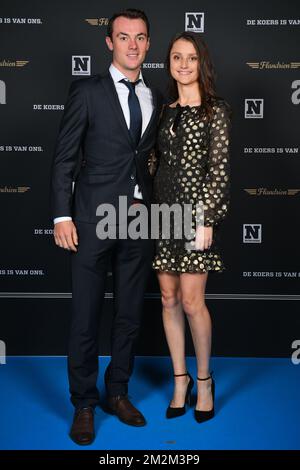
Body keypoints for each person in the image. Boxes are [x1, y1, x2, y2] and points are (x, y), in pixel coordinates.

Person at [51, 9, 162, 445]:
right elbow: (64, 157)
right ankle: (84, 402)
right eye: (123, 37)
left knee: (130, 313)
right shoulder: (86, 91)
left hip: (138, 219)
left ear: (148, 44)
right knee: (86, 314)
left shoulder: (155, 97)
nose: (132, 45)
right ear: (109, 43)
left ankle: (118, 391)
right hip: (91, 218)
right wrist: (62, 215)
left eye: (140, 37)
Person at [153, 32, 232, 423]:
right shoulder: (164, 110)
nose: (183, 65)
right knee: (168, 299)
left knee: (191, 301)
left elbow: (218, 170)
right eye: (176, 57)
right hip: (161, 216)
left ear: (203, 63)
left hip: (195, 218)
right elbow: (154, 163)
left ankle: (204, 381)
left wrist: (208, 220)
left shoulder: (215, 110)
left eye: (191, 58)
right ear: (168, 62)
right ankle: (179, 380)